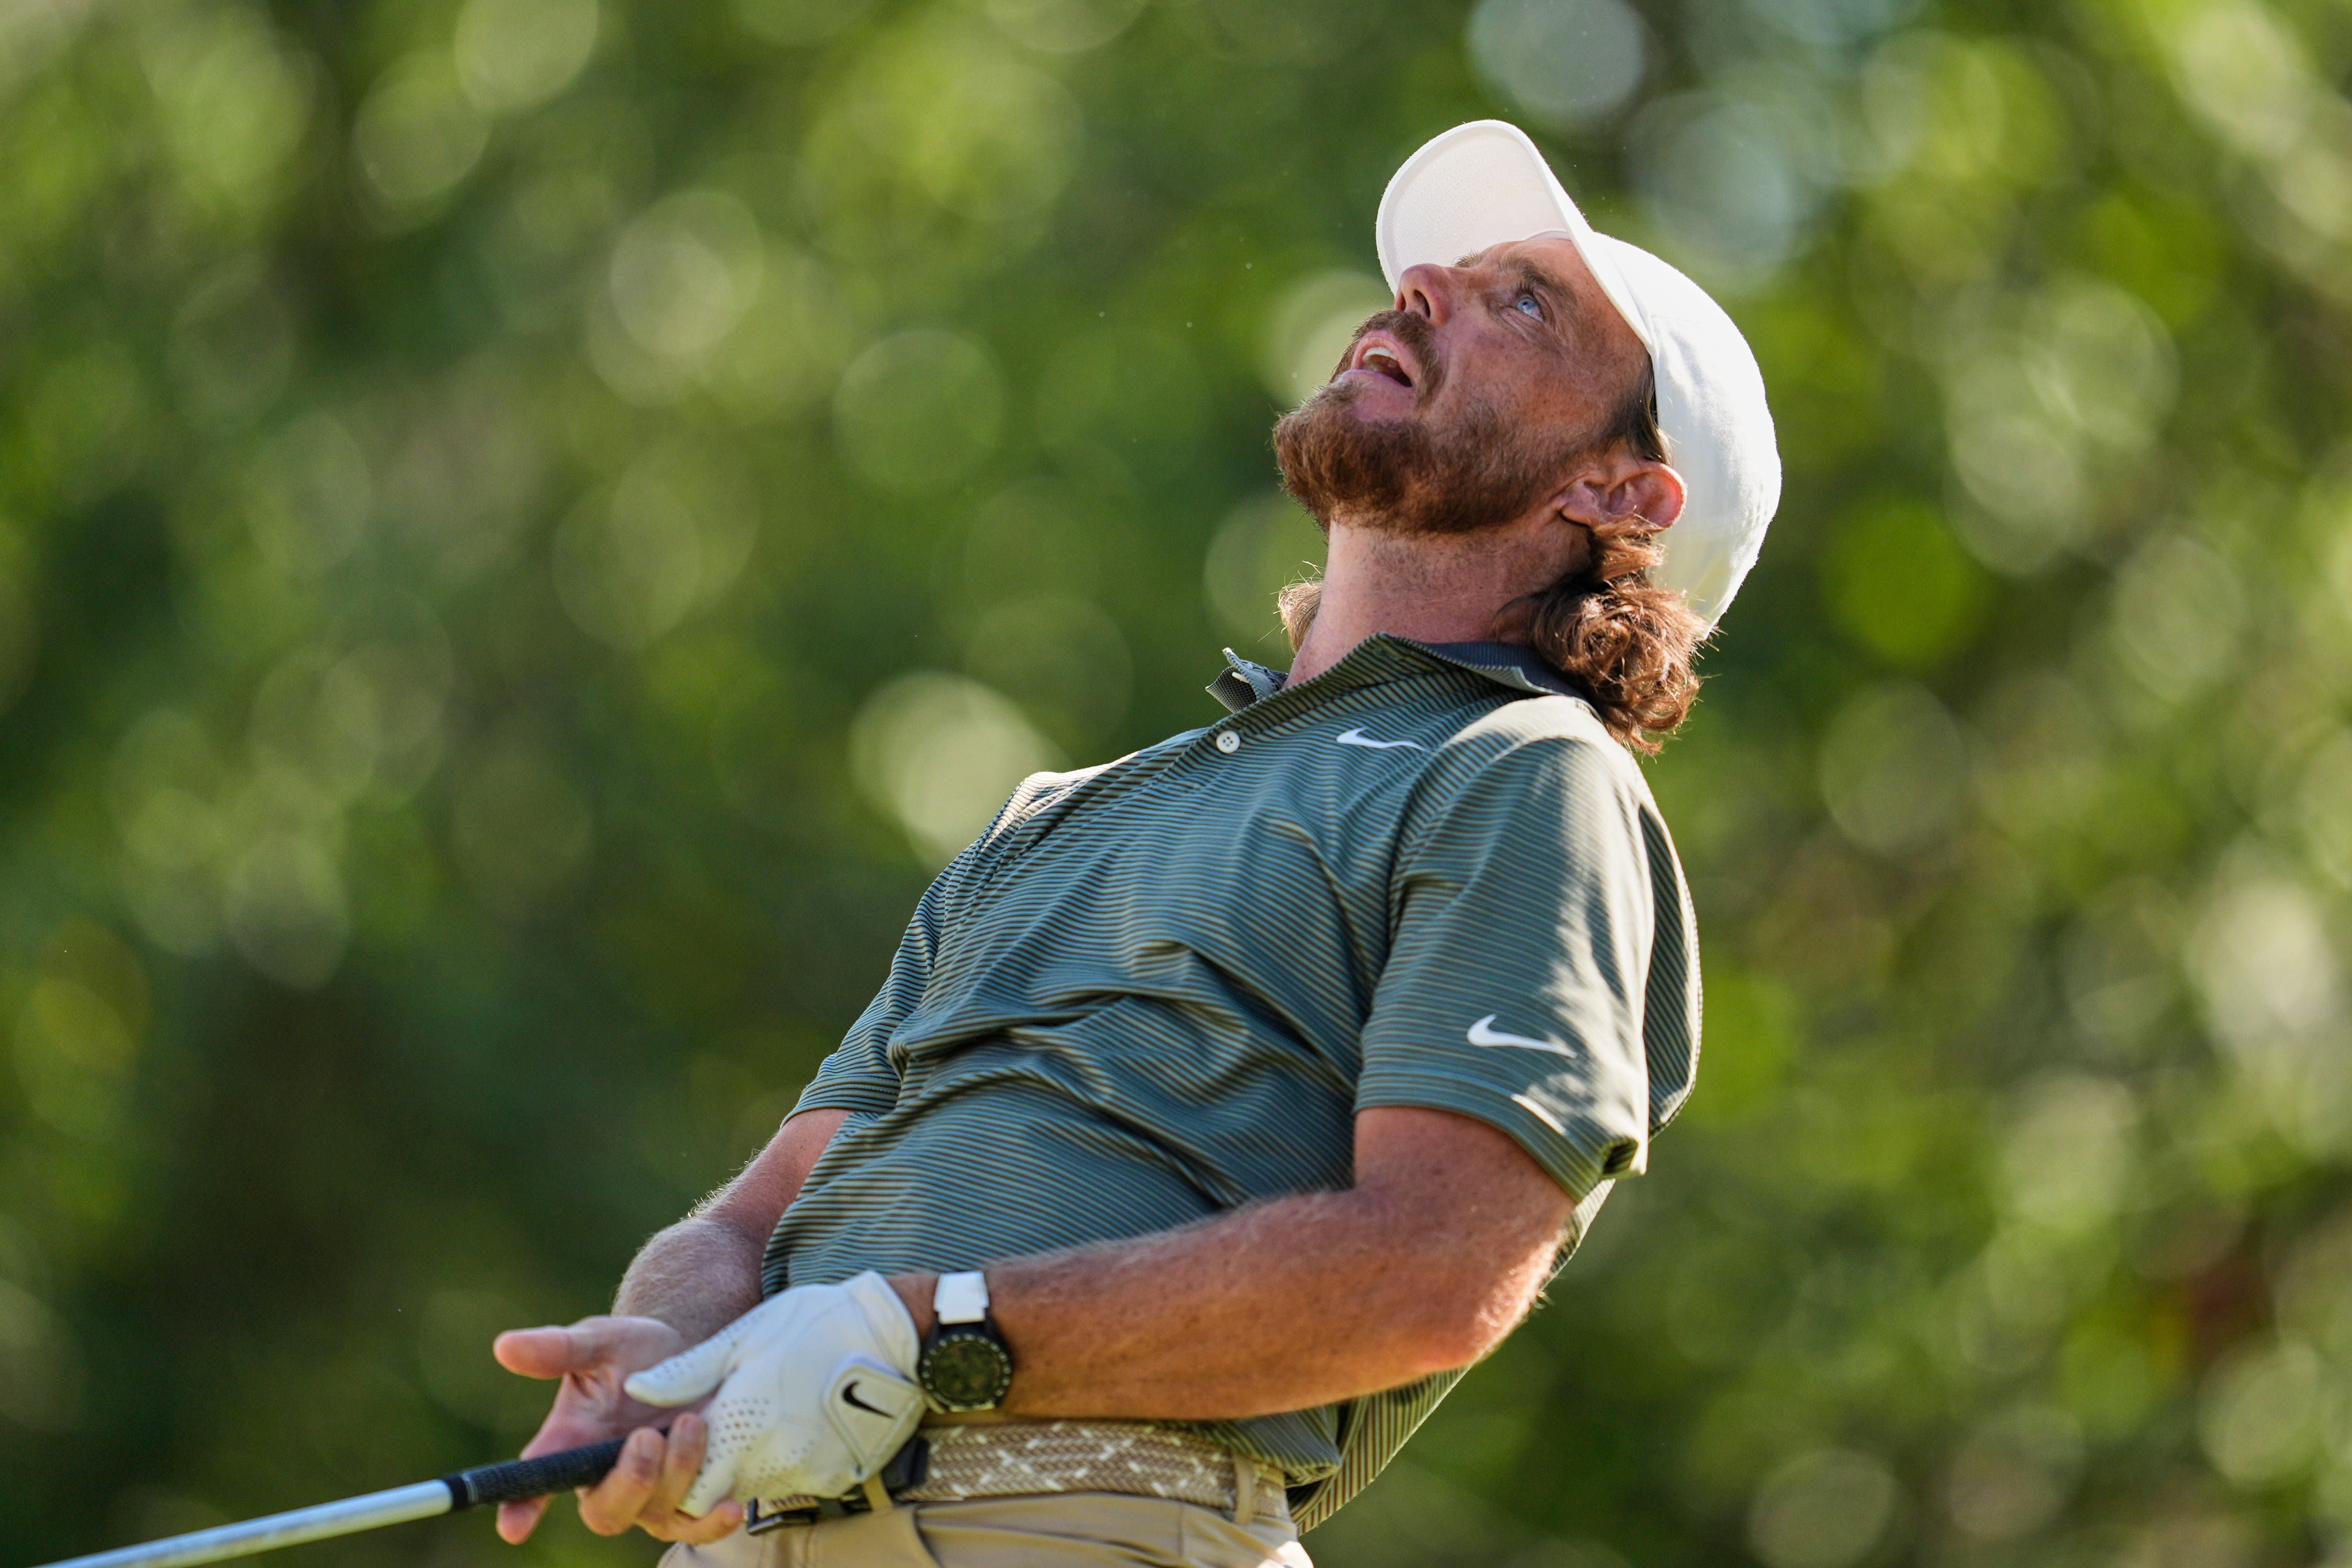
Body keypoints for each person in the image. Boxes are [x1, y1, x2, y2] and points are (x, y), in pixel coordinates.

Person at [490, 120, 1780, 1568]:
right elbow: (757, 1217)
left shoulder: (1525, 774)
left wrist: (928, 1337)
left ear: (1616, 493)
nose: (1422, 289)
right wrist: (668, 1345)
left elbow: (1433, 1268)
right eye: (1443, 272)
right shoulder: (1062, 807)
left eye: (1521, 301)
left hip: (1096, 1521)